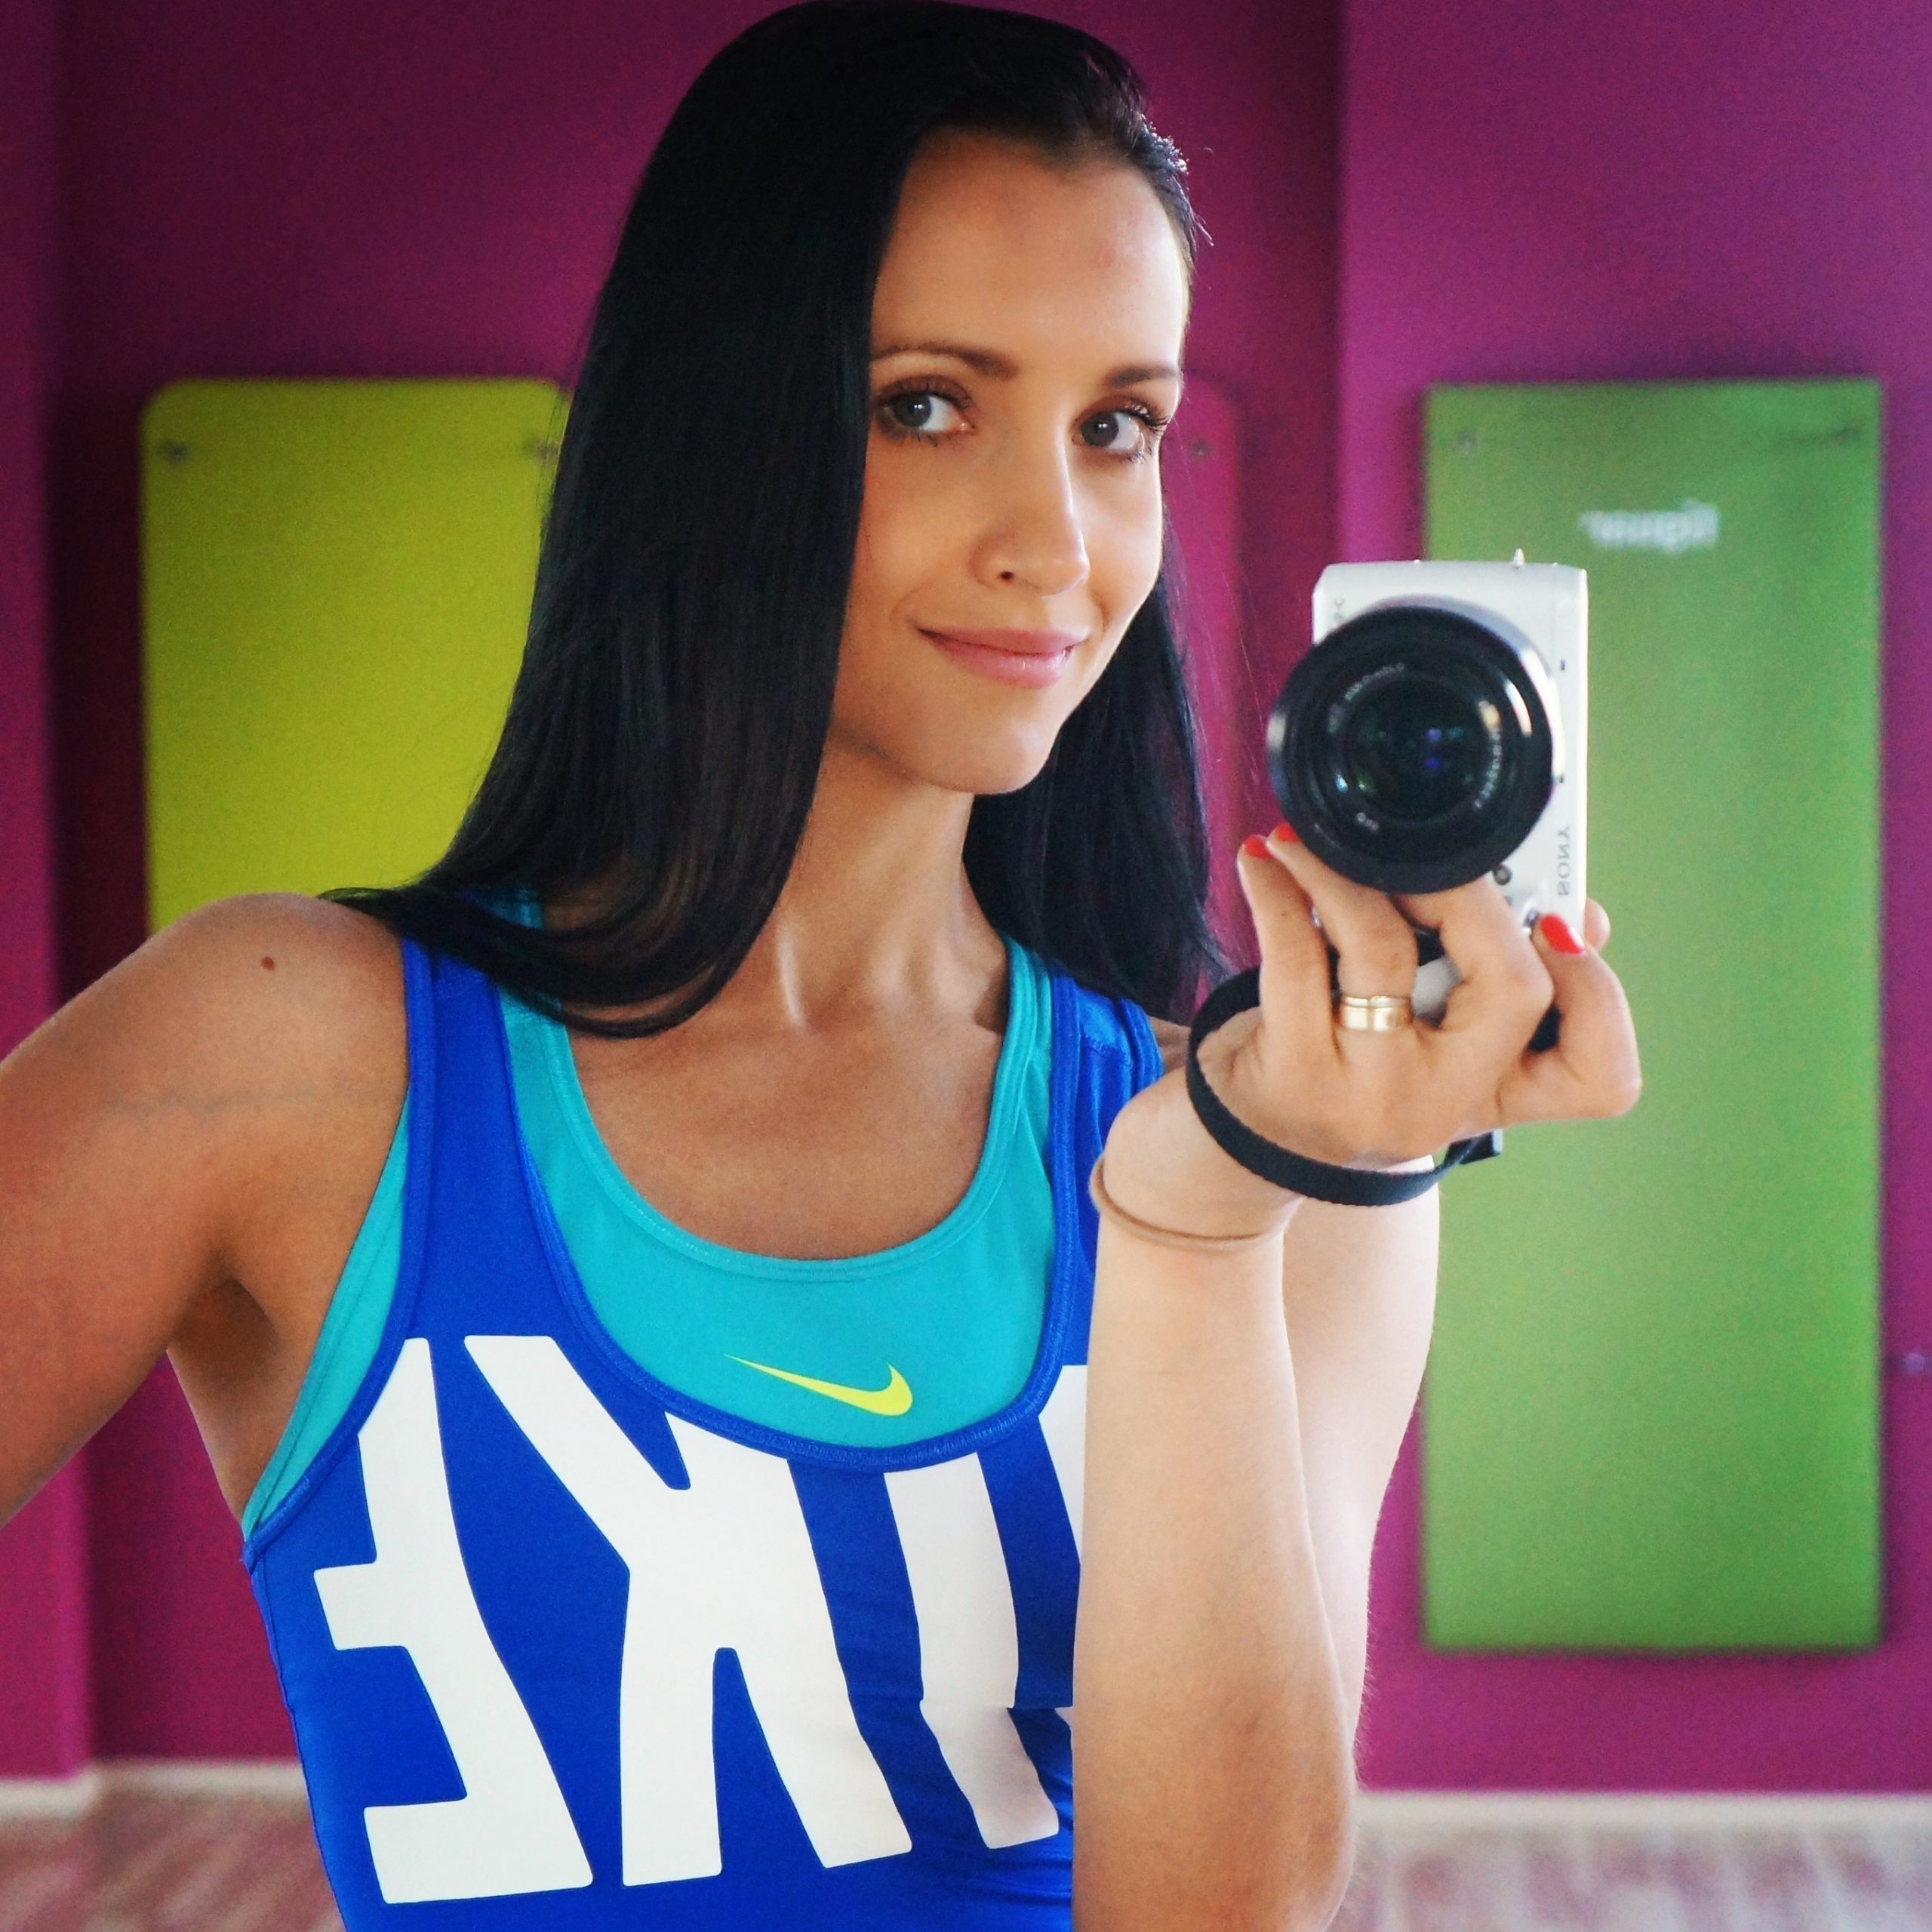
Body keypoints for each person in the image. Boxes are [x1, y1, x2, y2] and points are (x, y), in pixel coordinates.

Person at [0, 2, 1639, 1926]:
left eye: (1115, 427)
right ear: (704, 428)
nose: (1057, 542)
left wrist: (1199, 1227)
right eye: (925, 405)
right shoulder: (281, 1047)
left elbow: (1215, 1910)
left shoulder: (1267, 1140)